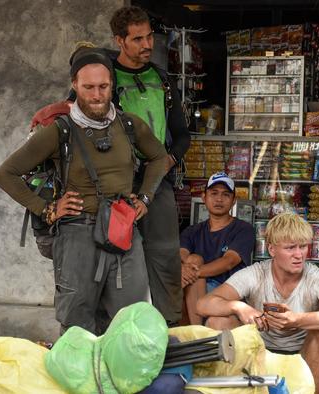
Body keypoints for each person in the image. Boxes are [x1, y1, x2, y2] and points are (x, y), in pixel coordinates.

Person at [0, 48, 167, 335]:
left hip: (123, 230)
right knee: (77, 328)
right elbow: (6, 174)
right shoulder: (58, 130)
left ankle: (121, 379)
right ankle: (79, 378)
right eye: (88, 87)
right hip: (77, 234)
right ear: (75, 85)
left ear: (112, 84)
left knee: (133, 324)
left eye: (103, 87)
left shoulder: (129, 125)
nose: (97, 95)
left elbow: (159, 158)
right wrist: (47, 209)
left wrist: (146, 197)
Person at [197, 213, 319, 394]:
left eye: (303, 246)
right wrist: (239, 307)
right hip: (258, 354)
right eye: (290, 248)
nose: (299, 255)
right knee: (218, 320)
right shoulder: (256, 273)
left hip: (304, 358)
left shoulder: (316, 276)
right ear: (271, 250)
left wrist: (297, 320)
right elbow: (203, 304)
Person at [109, 6, 191, 325]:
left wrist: (167, 161)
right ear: (120, 40)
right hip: (117, 186)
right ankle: (119, 333)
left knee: (166, 259)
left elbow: (183, 134)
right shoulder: (106, 78)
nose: (147, 45)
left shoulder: (161, 77)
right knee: (117, 261)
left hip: (159, 184)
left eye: (150, 37)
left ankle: (168, 333)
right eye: (138, 39)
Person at [180, 172, 256, 325]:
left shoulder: (243, 229)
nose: (219, 199)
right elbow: (180, 255)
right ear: (204, 197)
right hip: (193, 292)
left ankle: (198, 333)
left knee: (193, 267)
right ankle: (198, 332)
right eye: (214, 193)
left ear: (234, 200)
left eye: (225, 194)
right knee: (192, 260)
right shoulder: (192, 231)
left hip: (226, 293)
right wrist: (183, 269)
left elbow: (229, 261)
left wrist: (193, 272)